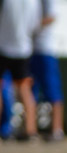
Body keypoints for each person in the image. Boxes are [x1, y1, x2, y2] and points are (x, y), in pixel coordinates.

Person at [0, 0, 40, 141]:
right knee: (24, 89)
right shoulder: (33, 1)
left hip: (3, 46)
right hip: (23, 48)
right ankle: (30, 130)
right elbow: (34, 24)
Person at [29, 0, 63, 140]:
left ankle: (57, 130)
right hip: (30, 49)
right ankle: (31, 130)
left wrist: (31, 27)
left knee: (53, 91)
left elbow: (52, 16)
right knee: (31, 90)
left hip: (45, 50)